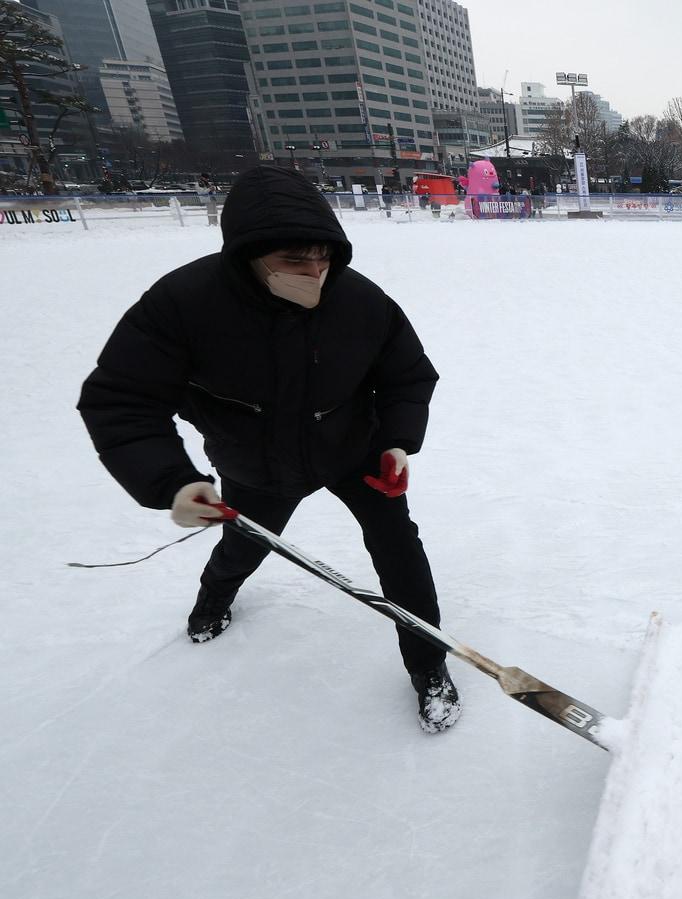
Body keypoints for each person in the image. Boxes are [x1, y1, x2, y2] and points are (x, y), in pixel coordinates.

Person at [76, 165, 460, 734]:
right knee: (245, 545)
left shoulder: (360, 300)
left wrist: (397, 442)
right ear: (248, 255)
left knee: (399, 550)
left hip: (354, 450)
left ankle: (429, 664)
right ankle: (212, 601)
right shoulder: (182, 304)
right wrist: (170, 481)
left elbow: (406, 376)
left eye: (323, 260)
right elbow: (120, 401)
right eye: (294, 262)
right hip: (256, 460)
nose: (315, 274)